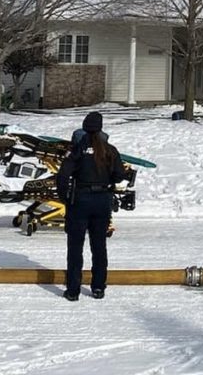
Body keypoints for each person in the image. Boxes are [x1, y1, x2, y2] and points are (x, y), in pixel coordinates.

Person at [56, 111, 126, 301]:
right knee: (99, 246)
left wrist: (65, 197)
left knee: (75, 247)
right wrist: (107, 178)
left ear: (84, 127)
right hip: (102, 200)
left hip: (80, 200)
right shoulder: (109, 149)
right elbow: (120, 175)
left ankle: (73, 290)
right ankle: (98, 287)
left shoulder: (77, 149)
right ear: (101, 128)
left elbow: (63, 175)